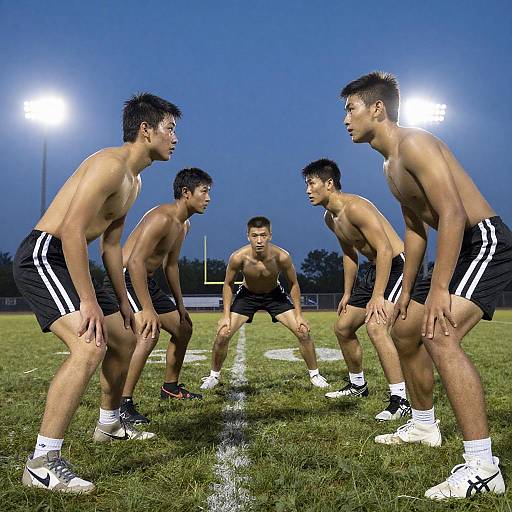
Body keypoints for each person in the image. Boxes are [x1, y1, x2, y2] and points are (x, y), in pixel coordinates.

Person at [341, 71, 512, 499]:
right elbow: (416, 232)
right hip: (457, 244)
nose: (346, 119)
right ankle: (422, 424)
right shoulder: (388, 165)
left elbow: (451, 213)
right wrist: (405, 294)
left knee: (439, 334)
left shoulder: (414, 143)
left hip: (483, 240)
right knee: (403, 330)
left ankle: (483, 467)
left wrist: (436, 293)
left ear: (377, 108)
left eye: (351, 109)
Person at [13, 93, 181, 493]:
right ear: (146, 130)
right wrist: (89, 302)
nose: (175, 138)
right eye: (170, 129)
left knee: (123, 338)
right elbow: (72, 230)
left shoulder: (135, 181)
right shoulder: (110, 165)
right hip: (44, 254)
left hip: (69, 257)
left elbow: (110, 247)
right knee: (90, 345)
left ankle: (108, 424)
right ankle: (42, 462)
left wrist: (125, 302)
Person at [302, 158, 411, 421]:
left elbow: (385, 249)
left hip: (396, 265)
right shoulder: (330, 218)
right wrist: (348, 293)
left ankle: (401, 399)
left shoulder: (357, 208)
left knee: (376, 327)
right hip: (374, 269)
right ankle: (358, 385)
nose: (307, 190)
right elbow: (350, 255)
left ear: (329, 184)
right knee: (343, 327)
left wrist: (377, 296)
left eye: (311, 183)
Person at [111, 168, 212, 424]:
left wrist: (180, 305)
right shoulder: (162, 217)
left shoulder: (183, 224)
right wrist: (147, 309)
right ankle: (122, 404)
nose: (208, 198)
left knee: (183, 329)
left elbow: (172, 266)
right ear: (186, 193)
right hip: (126, 277)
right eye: (204, 192)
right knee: (149, 332)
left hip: (145, 280)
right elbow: (134, 262)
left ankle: (170, 387)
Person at [200, 216, 329, 390]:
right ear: (248, 236)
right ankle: (213, 376)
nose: (259, 240)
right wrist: (225, 316)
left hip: (274, 295)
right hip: (247, 295)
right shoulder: (238, 257)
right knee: (223, 334)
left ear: (270, 235)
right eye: (254, 235)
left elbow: (293, 283)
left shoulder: (282, 257)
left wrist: (299, 315)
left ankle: (315, 375)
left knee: (303, 332)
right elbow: (228, 284)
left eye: (263, 235)